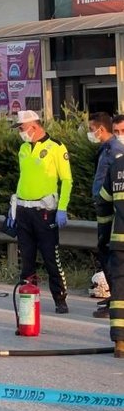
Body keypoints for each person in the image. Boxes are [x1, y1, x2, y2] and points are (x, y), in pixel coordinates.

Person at [8, 110, 72, 313]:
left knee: (51, 258)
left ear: (34, 126)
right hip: (24, 210)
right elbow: (24, 178)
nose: (20, 132)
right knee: (26, 259)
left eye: (21, 128)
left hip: (45, 212)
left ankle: (60, 299)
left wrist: (62, 208)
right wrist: (14, 207)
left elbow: (67, 180)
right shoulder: (23, 148)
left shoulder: (56, 148)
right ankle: (28, 299)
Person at [89, 112, 124, 318]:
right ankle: (114, 297)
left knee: (111, 254)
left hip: (112, 212)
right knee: (104, 251)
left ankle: (117, 300)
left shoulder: (116, 151)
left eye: (91, 129)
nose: (91, 133)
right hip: (104, 209)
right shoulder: (107, 149)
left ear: (100, 129)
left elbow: (114, 184)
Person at [95, 154, 124, 357]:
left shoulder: (117, 166)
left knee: (120, 292)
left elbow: (103, 201)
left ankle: (120, 343)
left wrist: (103, 234)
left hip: (119, 241)